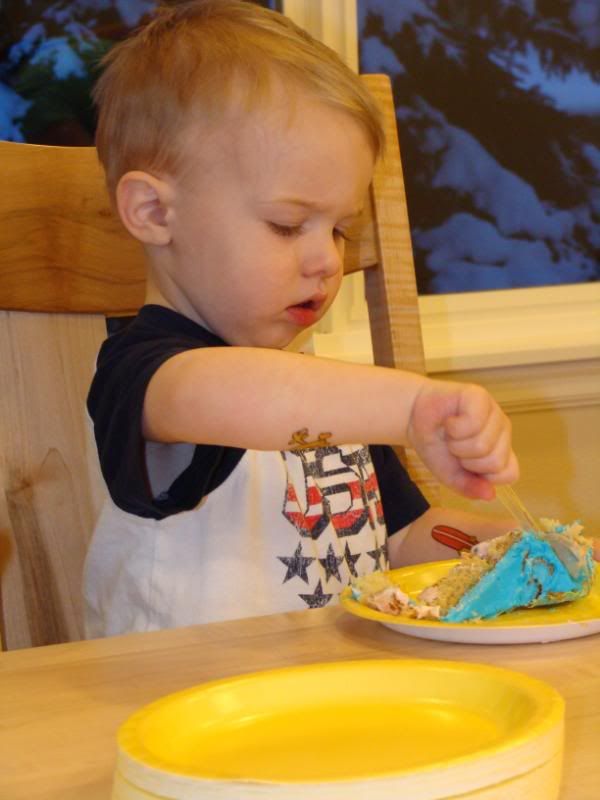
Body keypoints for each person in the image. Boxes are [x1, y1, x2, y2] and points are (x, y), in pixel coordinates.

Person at [84, 0, 519, 638]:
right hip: (183, 714)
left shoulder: (324, 398)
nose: (326, 260)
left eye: (340, 229)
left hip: (331, 705)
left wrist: (502, 548)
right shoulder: (147, 375)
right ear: (153, 212)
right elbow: (247, 394)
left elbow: (397, 542)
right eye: (288, 224)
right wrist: (409, 408)